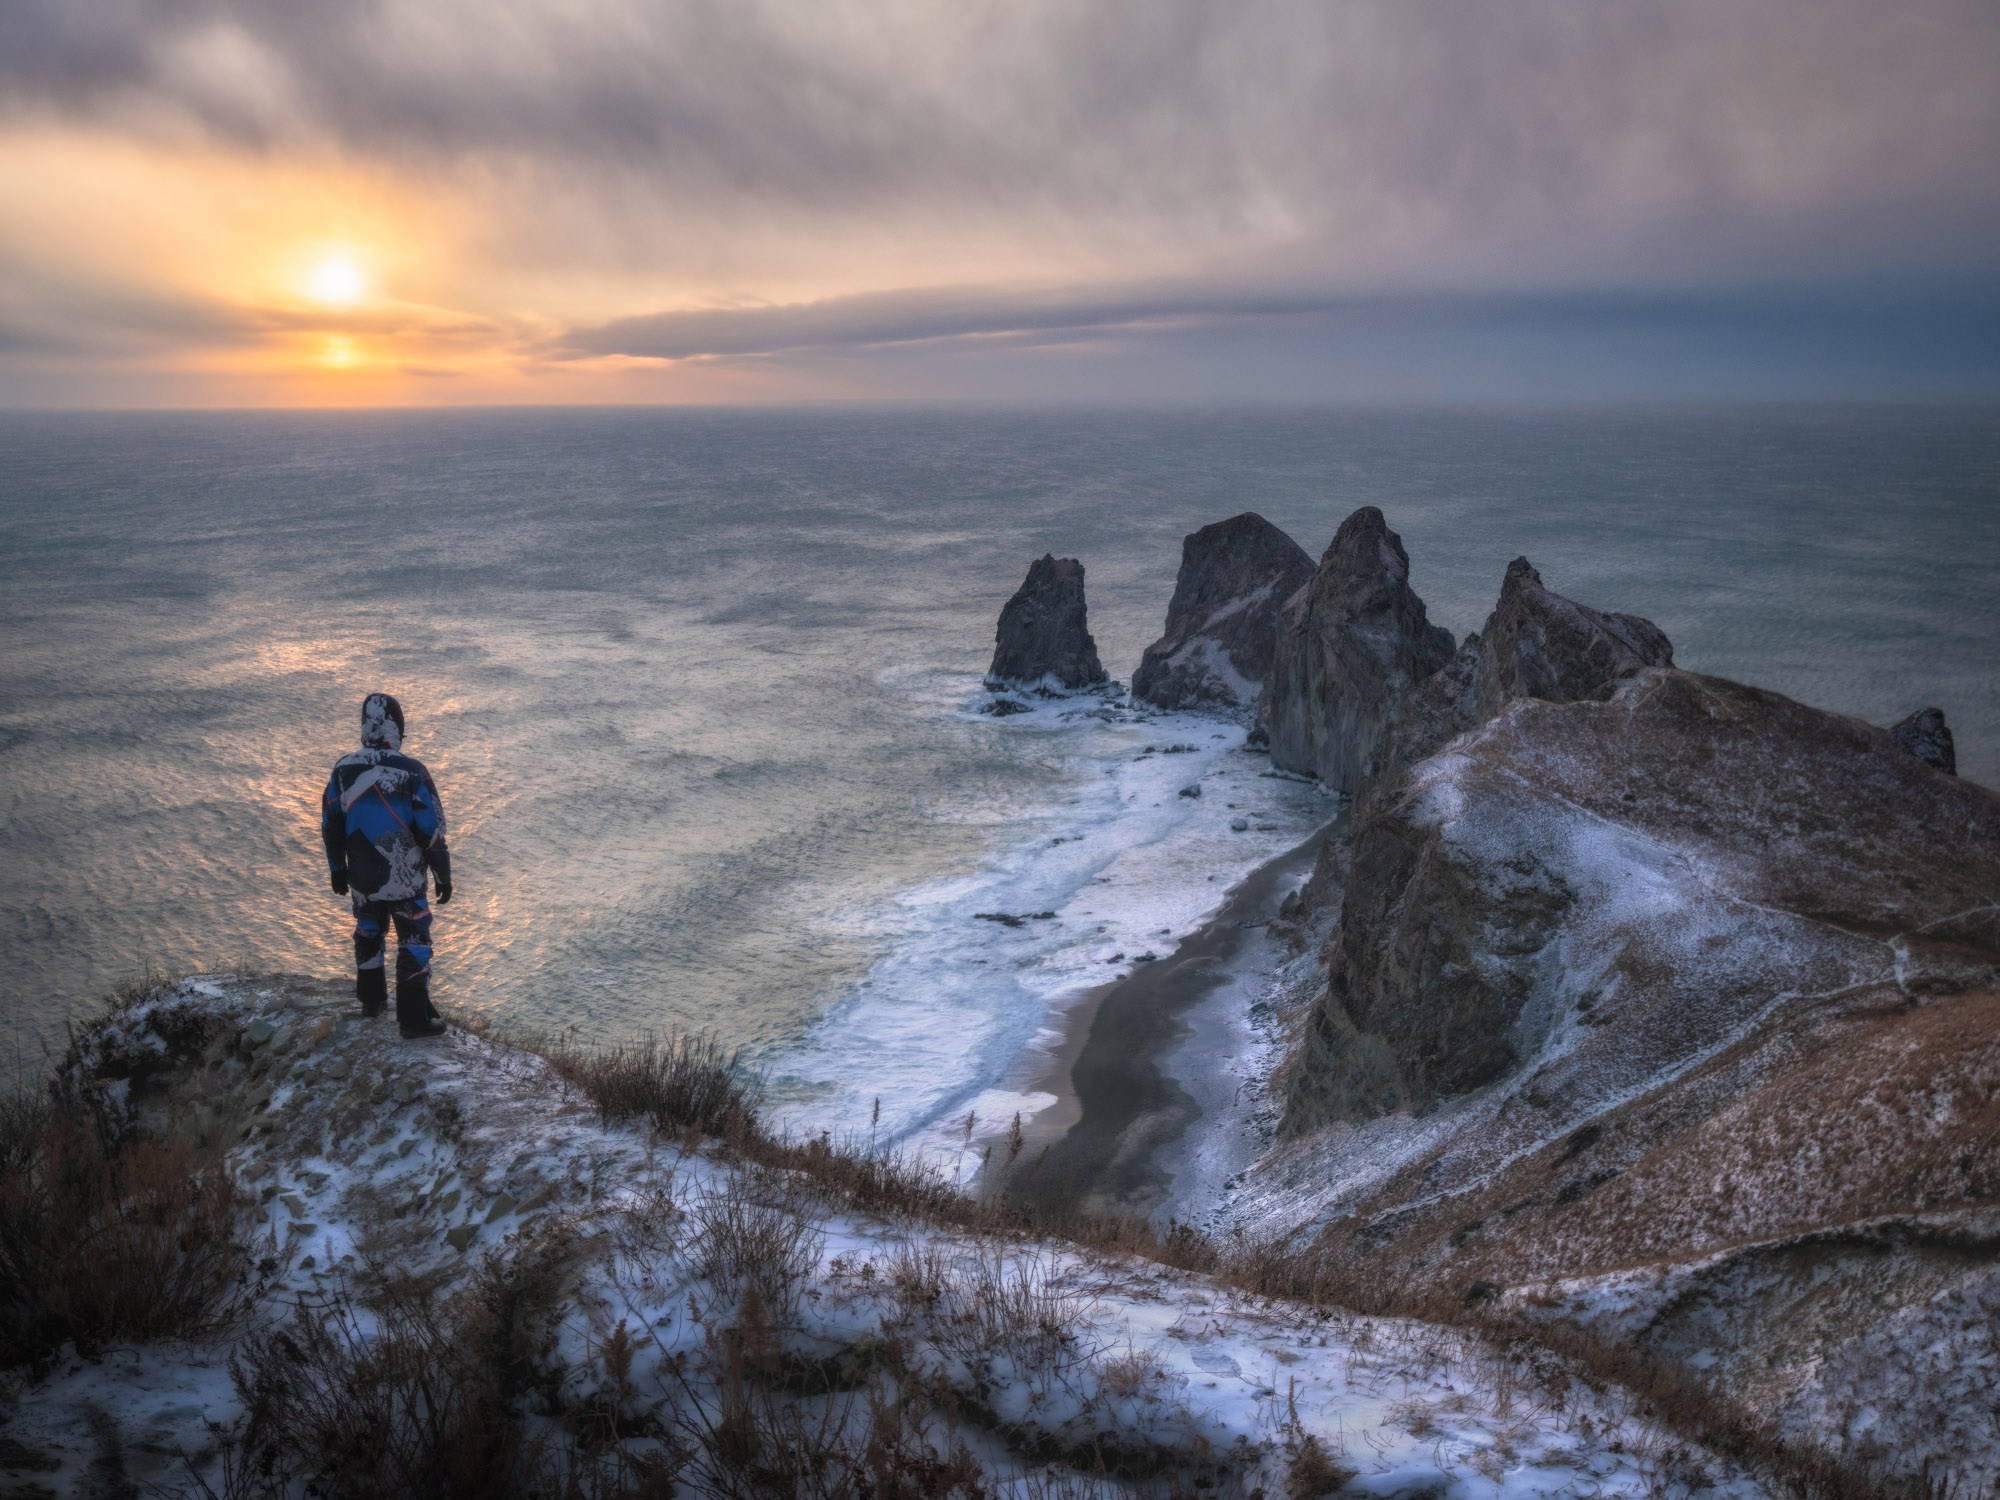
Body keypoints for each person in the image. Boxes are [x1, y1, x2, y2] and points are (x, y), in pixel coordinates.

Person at [319, 693, 454, 1038]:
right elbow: (432, 830)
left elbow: (330, 823)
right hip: (404, 877)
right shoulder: (412, 772)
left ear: (364, 726)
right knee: (413, 938)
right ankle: (412, 1018)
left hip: (363, 876)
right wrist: (443, 874)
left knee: (368, 931)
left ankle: (371, 1001)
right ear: (398, 728)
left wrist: (337, 868)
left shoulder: (342, 769)